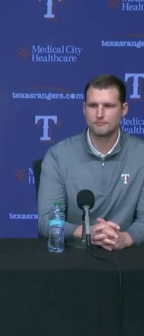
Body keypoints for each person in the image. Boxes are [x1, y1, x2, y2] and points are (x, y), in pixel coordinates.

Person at [38, 74, 144, 251]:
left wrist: (124, 238)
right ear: (84, 108)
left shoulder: (140, 155)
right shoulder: (58, 155)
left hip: (128, 259)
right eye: (93, 105)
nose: (100, 114)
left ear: (124, 109)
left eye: (108, 106)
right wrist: (87, 232)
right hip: (73, 260)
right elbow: (46, 222)